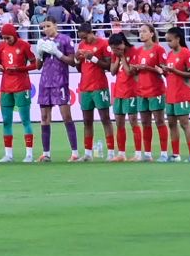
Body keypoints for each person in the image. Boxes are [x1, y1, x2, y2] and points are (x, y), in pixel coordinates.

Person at [35, 19, 80, 163]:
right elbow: (38, 66)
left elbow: (73, 62)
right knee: (44, 118)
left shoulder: (65, 39)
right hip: (45, 82)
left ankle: (74, 153)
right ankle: (46, 153)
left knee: (66, 116)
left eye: (48, 26)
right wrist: (40, 54)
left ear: (55, 25)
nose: (46, 29)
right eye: (44, 27)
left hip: (60, 82)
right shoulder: (42, 41)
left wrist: (57, 53)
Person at [0, 22, 39, 163]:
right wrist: (0, 68)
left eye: (8, 38)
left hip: (22, 86)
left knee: (25, 120)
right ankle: (8, 154)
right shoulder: (1, 47)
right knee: (6, 121)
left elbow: (35, 64)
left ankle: (29, 154)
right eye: (4, 38)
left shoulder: (24, 45)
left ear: (14, 35)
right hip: (6, 87)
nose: (6, 41)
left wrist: (20, 69)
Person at [129, 23, 170, 163]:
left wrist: (148, 68)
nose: (141, 34)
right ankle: (147, 154)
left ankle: (164, 153)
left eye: (144, 31)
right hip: (141, 91)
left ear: (152, 34)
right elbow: (134, 72)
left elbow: (164, 71)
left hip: (155, 90)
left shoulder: (159, 49)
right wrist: (135, 69)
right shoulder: (138, 51)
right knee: (145, 122)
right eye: (140, 32)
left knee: (159, 121)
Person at [74, 26, 115, 161]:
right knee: (87, 121)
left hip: (99, 86)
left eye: (85, 37)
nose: (84, 40)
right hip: (85, 87)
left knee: (105, 119)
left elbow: (109, 66)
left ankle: (110, 152)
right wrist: (76, 59)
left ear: (92, 33)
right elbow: (79, 68)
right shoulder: (81, 45)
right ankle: (88, 154)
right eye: (81, 38)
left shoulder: (103, 43)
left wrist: (94, 58)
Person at [164, 29, 190, 162]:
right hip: (170, 94)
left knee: (184, 123)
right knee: (172, 124)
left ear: (178, 39)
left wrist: (174, 70)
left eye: (170, 40)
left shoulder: (187, 53)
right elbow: (170, 74)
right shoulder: (169, 54)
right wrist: (163, 71)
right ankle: (175, 155)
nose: (168, 43)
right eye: (167, 40)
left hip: (182, 93)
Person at [109, 34, 136, 162]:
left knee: (133, 122)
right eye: (113, 49)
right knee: (119, 123)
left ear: (123, 43)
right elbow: (113, 71)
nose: (116, 50)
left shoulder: (133, 52)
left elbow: (129, 71)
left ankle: (138, 153)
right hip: (118, 91)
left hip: (131, 91)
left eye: (118, 48)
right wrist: (116, 58)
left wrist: (123, 57)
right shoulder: (115, 54)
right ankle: (121, 153)